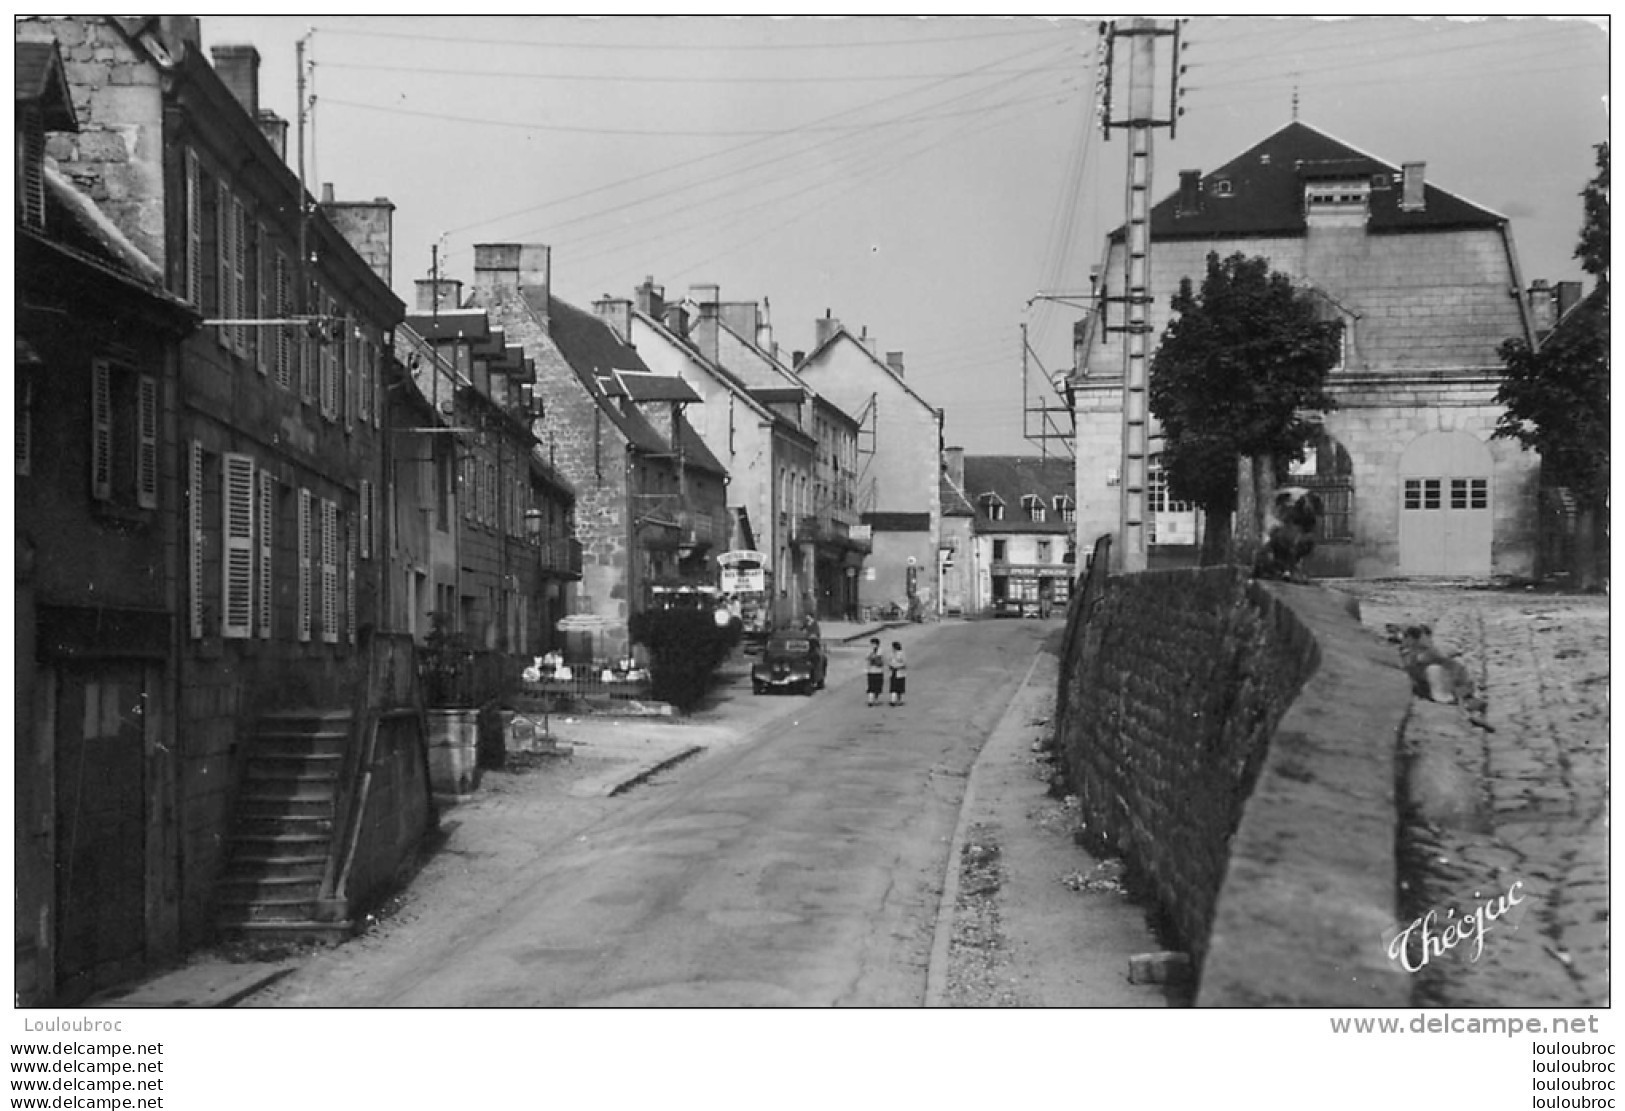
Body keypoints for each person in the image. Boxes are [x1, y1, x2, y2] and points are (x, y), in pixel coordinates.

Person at [865, 638, 885, 707]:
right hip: (874, 671)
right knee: (874, 686)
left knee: (875, 686)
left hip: (875, 671)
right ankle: (872, 700)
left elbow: (881, 660)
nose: (872, 645)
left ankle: (873, 700)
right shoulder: (874, 651)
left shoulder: (879, 651)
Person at [887, 641, 907, 706]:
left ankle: (897, 700)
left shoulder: (901, 654)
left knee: (898, 687)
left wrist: (896, 666)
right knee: (894, 687)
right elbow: (889, 662)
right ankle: (894, 700)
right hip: (894, 672)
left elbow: (904, 663)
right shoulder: (892, 654)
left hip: (899, 672)